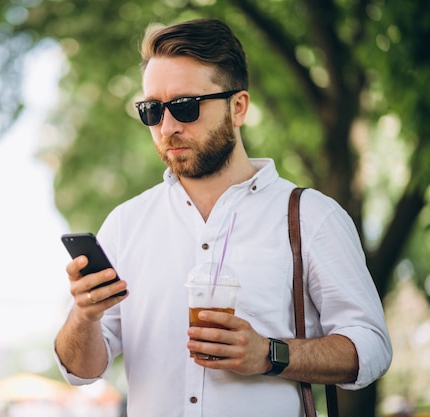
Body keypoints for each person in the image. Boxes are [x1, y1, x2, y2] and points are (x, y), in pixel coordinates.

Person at [53, 18, 392, 416]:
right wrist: (85, 315)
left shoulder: (310, 216)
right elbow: (81, 371)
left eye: (185, 106)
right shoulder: (126, 224)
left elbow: (371, 346)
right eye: (152, 110)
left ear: (238, 107)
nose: (168, 126)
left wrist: (270, 354)